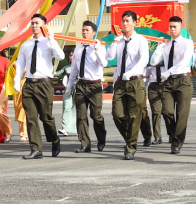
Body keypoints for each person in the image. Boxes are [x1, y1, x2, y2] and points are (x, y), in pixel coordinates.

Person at [13, 14, 64, 159]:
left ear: (44, 25)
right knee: (31, 118)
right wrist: (17, 80)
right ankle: (36, 149)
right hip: (29, 83)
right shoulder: (26, 44)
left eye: (37, 23)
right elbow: (21, 63)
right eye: (32, 23)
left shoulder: (49, 42)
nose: (34, 26)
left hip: (44, 83)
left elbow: (60, 56)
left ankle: (54, 139)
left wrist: (52, 40)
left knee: (46, 117)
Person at [106, 10, 149, 160]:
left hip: (135, 81)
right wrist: (115, 42)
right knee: (117, 114)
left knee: (134, 115)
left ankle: (131, 147)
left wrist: (130, 72)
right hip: (120, 82)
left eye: (128, 21)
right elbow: (109, 57)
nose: (124, 24)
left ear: (134, 23)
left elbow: (143, 60)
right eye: (123, 21)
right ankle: (131, 139)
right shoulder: (119, 41)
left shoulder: (141, 40)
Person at [150, 16, 193, 154]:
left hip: (183, 80)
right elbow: (153, 62)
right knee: (167, 111)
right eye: (170, 27)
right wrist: (159, 48)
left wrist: (168, 72)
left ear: (181, 27)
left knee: (182, 113)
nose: (172, 29)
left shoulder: (187, 43)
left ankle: (176, 143)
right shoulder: (166, 46)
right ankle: (175, 134)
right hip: (168, 82)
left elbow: (185, 61)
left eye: (175, 26)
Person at [66, 20, 107, 153]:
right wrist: (69, 85)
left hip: (95, 86)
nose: (84, 32)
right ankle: (85, 144)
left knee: (96, 115)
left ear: (93, 32)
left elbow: (104, 63)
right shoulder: (78, 48)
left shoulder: (99, 47)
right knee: (81, 116)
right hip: (81, 85)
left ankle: (101, 138)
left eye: (87, 30)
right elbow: (74, 68)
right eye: (83, 30)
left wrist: (96, 49)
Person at [55, 51, 76, 137]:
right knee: (67, 107)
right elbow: (56, 74)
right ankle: (65, 129)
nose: (72, 57)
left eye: (73, 55)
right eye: (70, 55)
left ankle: (78, 128)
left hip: (79, 89)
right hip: (68, 89)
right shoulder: (66, 68)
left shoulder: (81, 67)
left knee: (78, 109)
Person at [145, 61, 166, 145]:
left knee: (168, 111)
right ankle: (157, 136)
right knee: (156, 112)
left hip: (167, 85)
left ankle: (172, 133)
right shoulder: (151, 55)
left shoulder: (168, 52)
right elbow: (147, 72)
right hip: (153, 86)